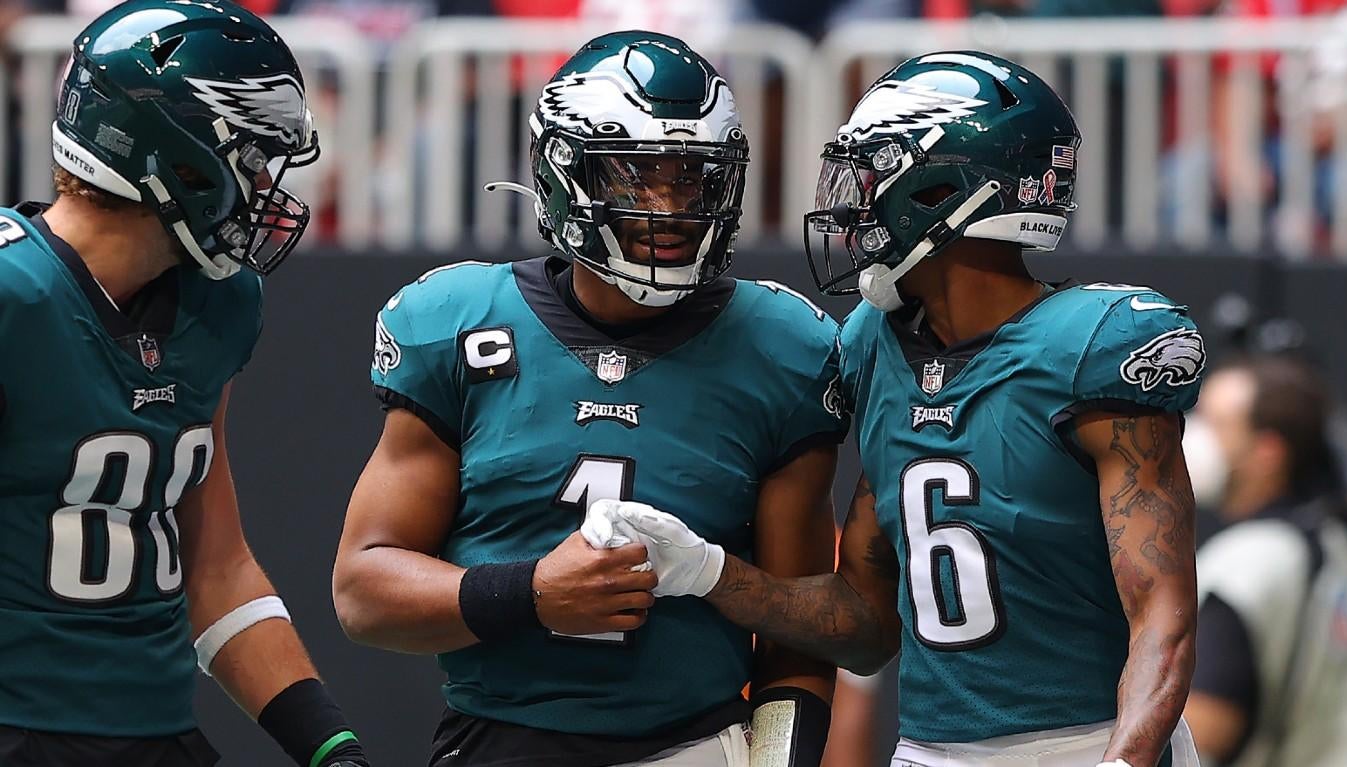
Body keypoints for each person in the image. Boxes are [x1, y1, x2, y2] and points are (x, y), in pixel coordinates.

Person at [589, 51, 1207, 767]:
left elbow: (1163, 610)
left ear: (947, 187)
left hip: (1091, 740)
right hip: (929, 749)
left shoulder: (1092, 345)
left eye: (874, 170)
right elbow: (868, 622)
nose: (854, 201)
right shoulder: (874, 344)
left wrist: (1124, 760)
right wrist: (710, 572)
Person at [332, 31, 847, 767]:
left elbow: (802, 629)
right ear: (563, 173)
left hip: (697, 745)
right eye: (638, 178)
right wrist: (532, 591)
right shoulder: (458, 321)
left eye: (692, 180)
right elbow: (364, 588)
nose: (671, 209)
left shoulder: (779, 346)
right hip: (497, 741)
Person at [0, 2, 370, 766]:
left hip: (153, 732)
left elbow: (216, 564)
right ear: (178, 157)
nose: (267, 186)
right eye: (255, 157)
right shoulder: (14, 298)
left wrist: (330, 745)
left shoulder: (219, 300)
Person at [1184, 356, 1347, 767]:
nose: (1193, 435)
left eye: (1213, 421)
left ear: (1268, 451)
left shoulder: (1245, 562)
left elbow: (1203, 732)